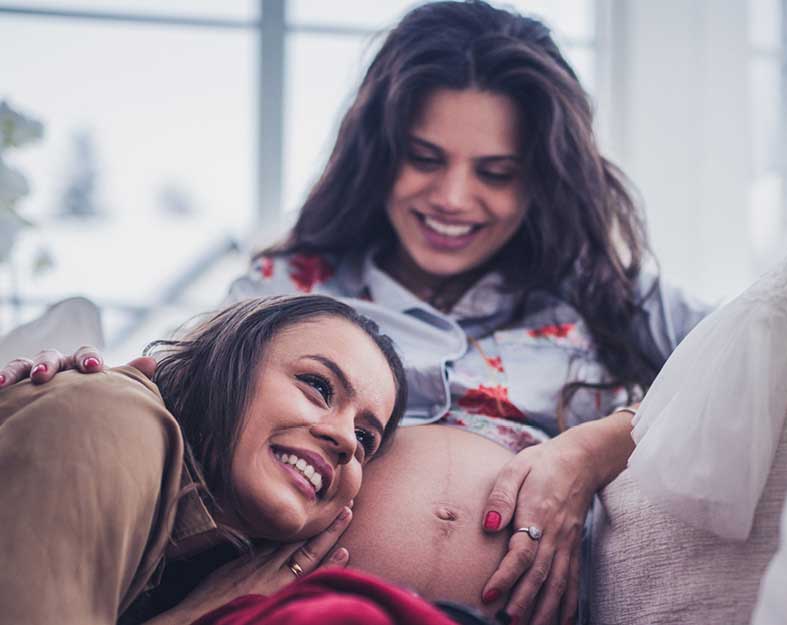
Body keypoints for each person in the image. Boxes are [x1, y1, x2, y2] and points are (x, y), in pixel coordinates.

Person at [0, 1, 709, 623]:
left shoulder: (608, 295)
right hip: (285, 605)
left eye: (495, 172)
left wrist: (592, 448)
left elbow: (759, 361)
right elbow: (181, 391)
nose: (453, 198)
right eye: (424, 158)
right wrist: (85, 388)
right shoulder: (291, 281)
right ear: (380, 152)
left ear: (542, 179)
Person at [0, 295, 409, 625]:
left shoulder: (200, 564)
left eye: (364, 437)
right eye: (318, 385)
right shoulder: (111, 417)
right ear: (225, 365)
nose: (344, 439)